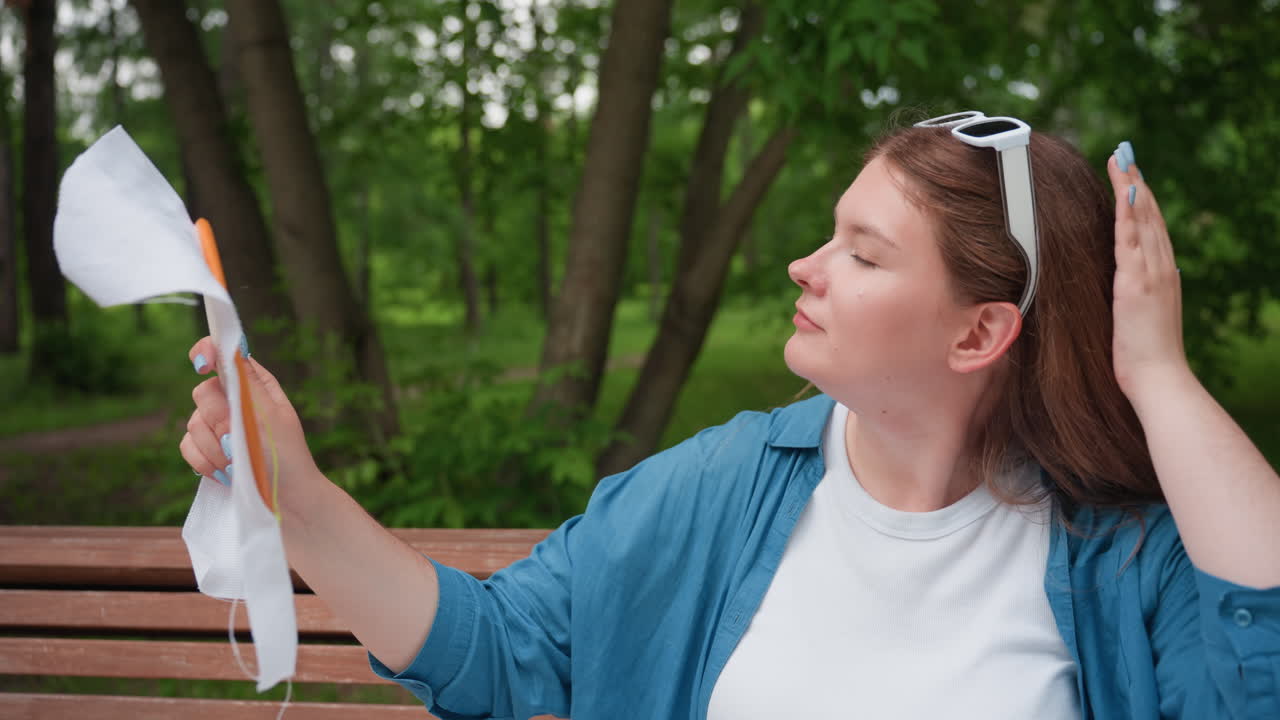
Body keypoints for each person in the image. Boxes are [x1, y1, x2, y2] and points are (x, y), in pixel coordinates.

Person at [180, 112, 1280, 719]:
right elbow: (502, 648)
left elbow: (1259, 665)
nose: (806, 266)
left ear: (976, 335)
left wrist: (1157, 374)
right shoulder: (720, 487)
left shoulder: (1118, 562)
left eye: (861, 252)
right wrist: (301, 500)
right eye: (828, 230)